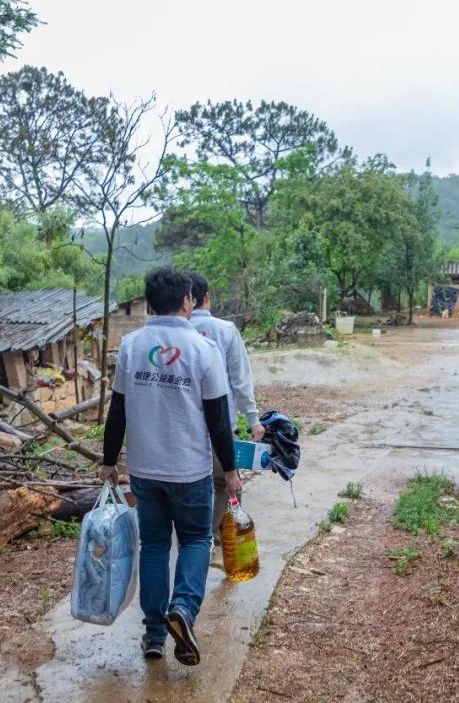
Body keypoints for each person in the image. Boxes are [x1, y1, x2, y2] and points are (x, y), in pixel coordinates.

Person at [99, 267, 240, 667]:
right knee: (196, 540)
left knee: (156, 546)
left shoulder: (130, 345)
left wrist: (109, 462)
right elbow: (218, 419)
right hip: (190, 471)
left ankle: (155, 635)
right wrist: (230, 472)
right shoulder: (202, 349)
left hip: (145, 470)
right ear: (187, 302)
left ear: (149, 303)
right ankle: (183, 608)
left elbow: (118, 411)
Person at [186, 272, 264, 542]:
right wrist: (253, 420)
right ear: (206, 297)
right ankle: (218, 535)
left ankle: (193, 536)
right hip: (219, 426)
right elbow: (240, 380)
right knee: (225, 482)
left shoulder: (175, 334)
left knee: (190, 485)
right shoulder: (225, 330)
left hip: (182, 430)